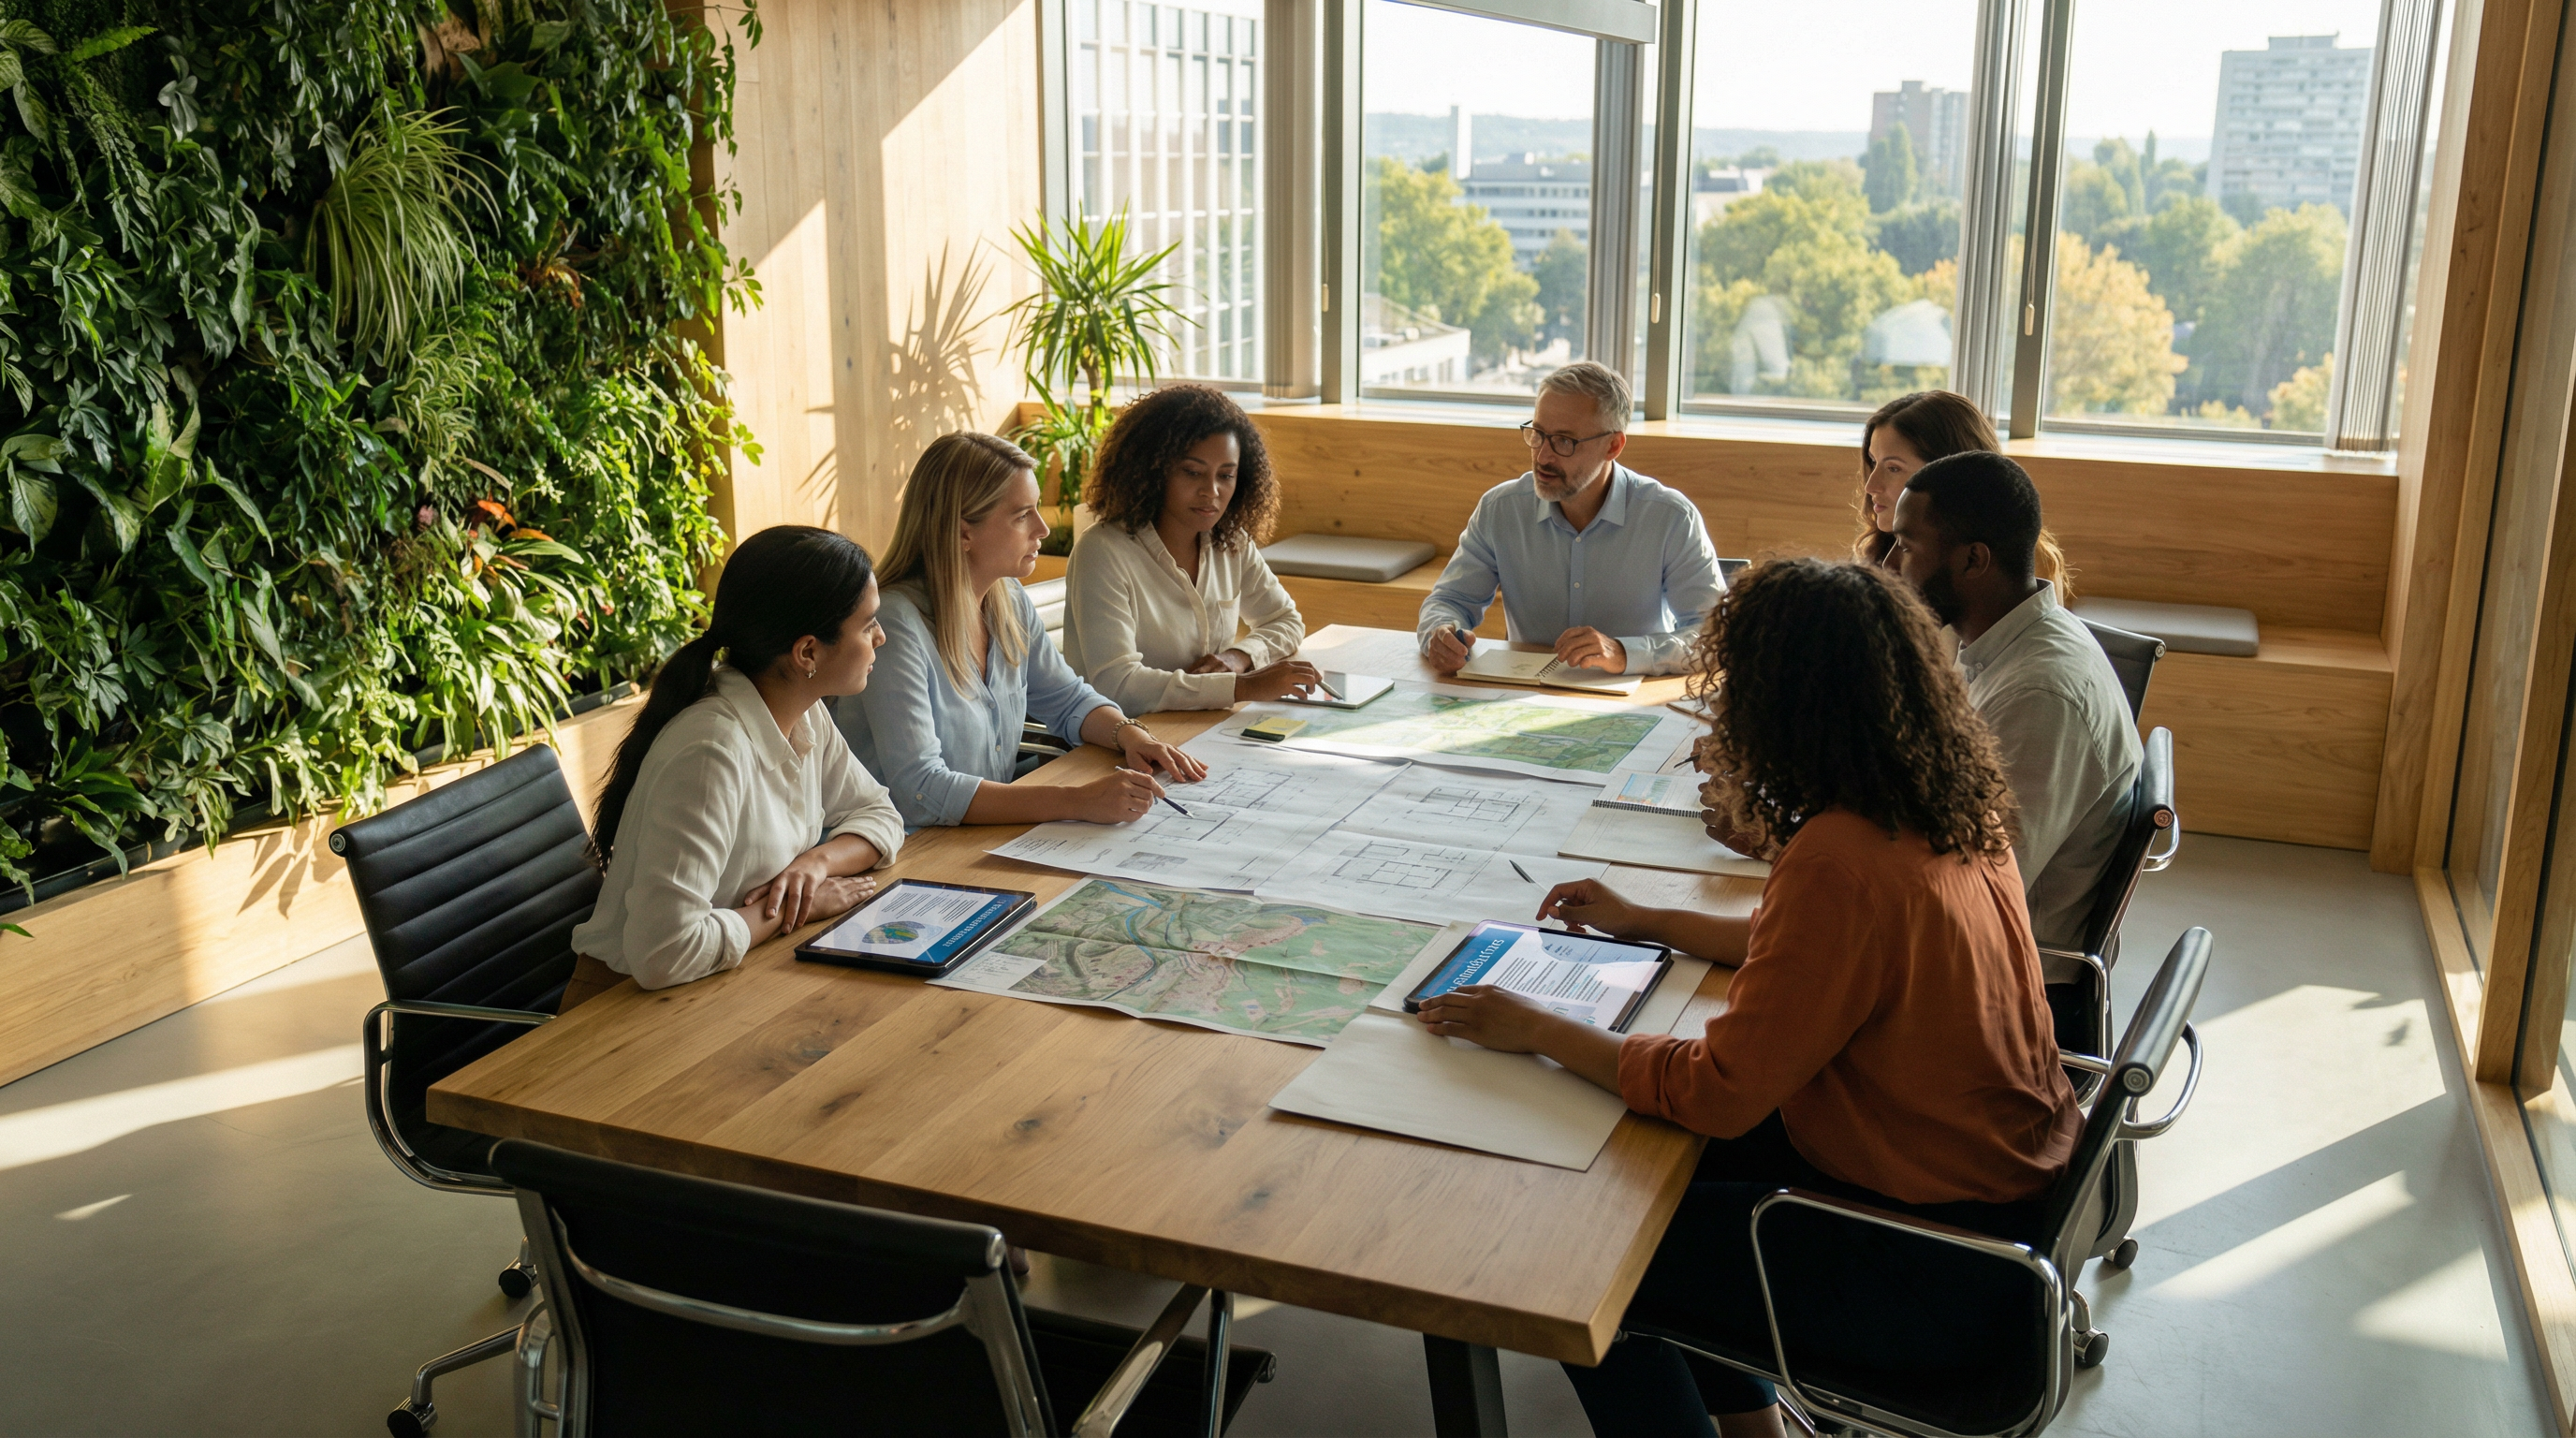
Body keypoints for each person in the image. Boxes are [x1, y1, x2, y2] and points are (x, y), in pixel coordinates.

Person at [1415, 558, 2081, 1438]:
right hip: (1990, 1206)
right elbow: (1816, 955)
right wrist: (1644, 919)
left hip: (1927, 1266)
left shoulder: (1839, 858)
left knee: (1574, 1254)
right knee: (1636, 1163)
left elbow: (1715, 1093)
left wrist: (1533, 1025)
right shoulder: (1943, 801)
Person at [572, 525, 906, 992]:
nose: (882, 638)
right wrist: (794, 909)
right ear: (808, 651)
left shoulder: (803, 713)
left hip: (725, 983)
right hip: (617, 1015)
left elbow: (882, 816)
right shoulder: (711, 753)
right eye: (868, 624)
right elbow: (664, 954)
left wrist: (815, 865)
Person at [838, 431, 1208, 829]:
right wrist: (1075, 801)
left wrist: (1133, 737)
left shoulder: (1006, 597)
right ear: (963, 532)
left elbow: (1066, 699)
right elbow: (919, 790)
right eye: (1021, 515)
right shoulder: (895, 625)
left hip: (975, 837)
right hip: (907, 848)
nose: (1043, 529)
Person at [1887, 449, 2141, 958]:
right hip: (1963, 934)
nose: (1891, 567)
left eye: (1907, 548)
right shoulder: (1997, 640)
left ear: (1973, 560)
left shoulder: (2039, 698)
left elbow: (1971, 891)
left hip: (2004, 974)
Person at [1416, 361, 1722, 677]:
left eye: (1564, 441)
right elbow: (1449, 601)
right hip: (1524, 697)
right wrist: (1439, 633)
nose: (1543, 456)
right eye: (1538, 434)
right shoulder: (1501, 509)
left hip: (1632, 697)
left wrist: (1624, 652)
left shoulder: (1670, 518)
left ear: (1613, 445)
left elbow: (1715, 639)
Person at [1061, 384, 1324, 712]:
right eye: (1192, 472)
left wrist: (1239, 657)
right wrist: (1241, 687)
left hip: (1199, 726)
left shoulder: (1231, 541)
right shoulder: (1103, 552)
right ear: (1153, 470)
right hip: (1121, 742)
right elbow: (1117, 684)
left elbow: (1285, 620)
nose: (1211, 491)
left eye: (1226, 475)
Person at [1854, 389, 2075, 602]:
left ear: (1950, 472)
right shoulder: (1883, 550)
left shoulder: (2018, 569)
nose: (1871, 486)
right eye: (1873, 462)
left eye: (1893, 468)